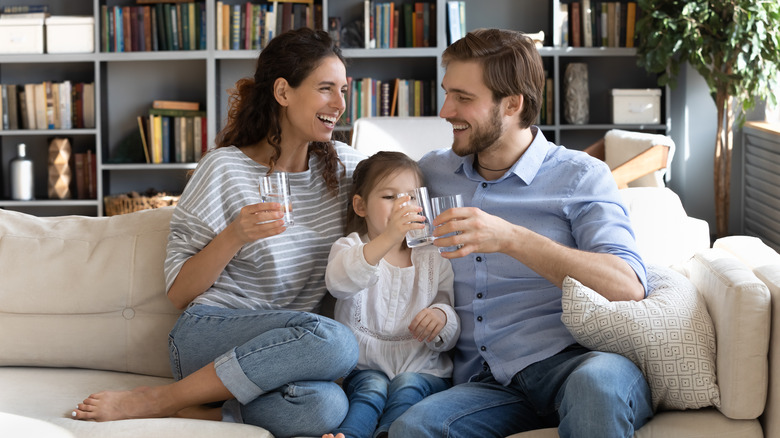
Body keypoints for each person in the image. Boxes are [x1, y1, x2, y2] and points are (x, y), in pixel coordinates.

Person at [72, 28, 365, 438]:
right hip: (209, 333)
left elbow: (408, 183)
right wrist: (234, 235)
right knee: (337, 342)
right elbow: (179, 293)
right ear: (283, 92)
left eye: (344, 90)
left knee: (326, 405)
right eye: (325, 89)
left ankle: (198, 412)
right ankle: (160, 399)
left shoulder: (347, 169)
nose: (339, 104)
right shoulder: (224, 169)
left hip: (286, 351)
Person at [389, 29, 653, 438]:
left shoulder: (580, 176)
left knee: (596, 387)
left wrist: (512, 238)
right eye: (447, 93)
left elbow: (628, 285)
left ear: (513, 103)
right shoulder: (432, 173)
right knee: (415, 428)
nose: (444, 110)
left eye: (463, 97)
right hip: (488, 382)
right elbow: (369, 192)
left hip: (578, 364)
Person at [322, 152, 460, 438]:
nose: (402, 207)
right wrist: (388, 238)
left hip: (424, 372)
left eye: (410, 198)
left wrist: (441, 318)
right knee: (370, 389)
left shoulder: (434, 257)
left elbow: (449, 312)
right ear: (361, 206)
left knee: (407, 385)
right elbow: (338, 282)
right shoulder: (351, 248)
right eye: (389, 197)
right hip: (364, 370)